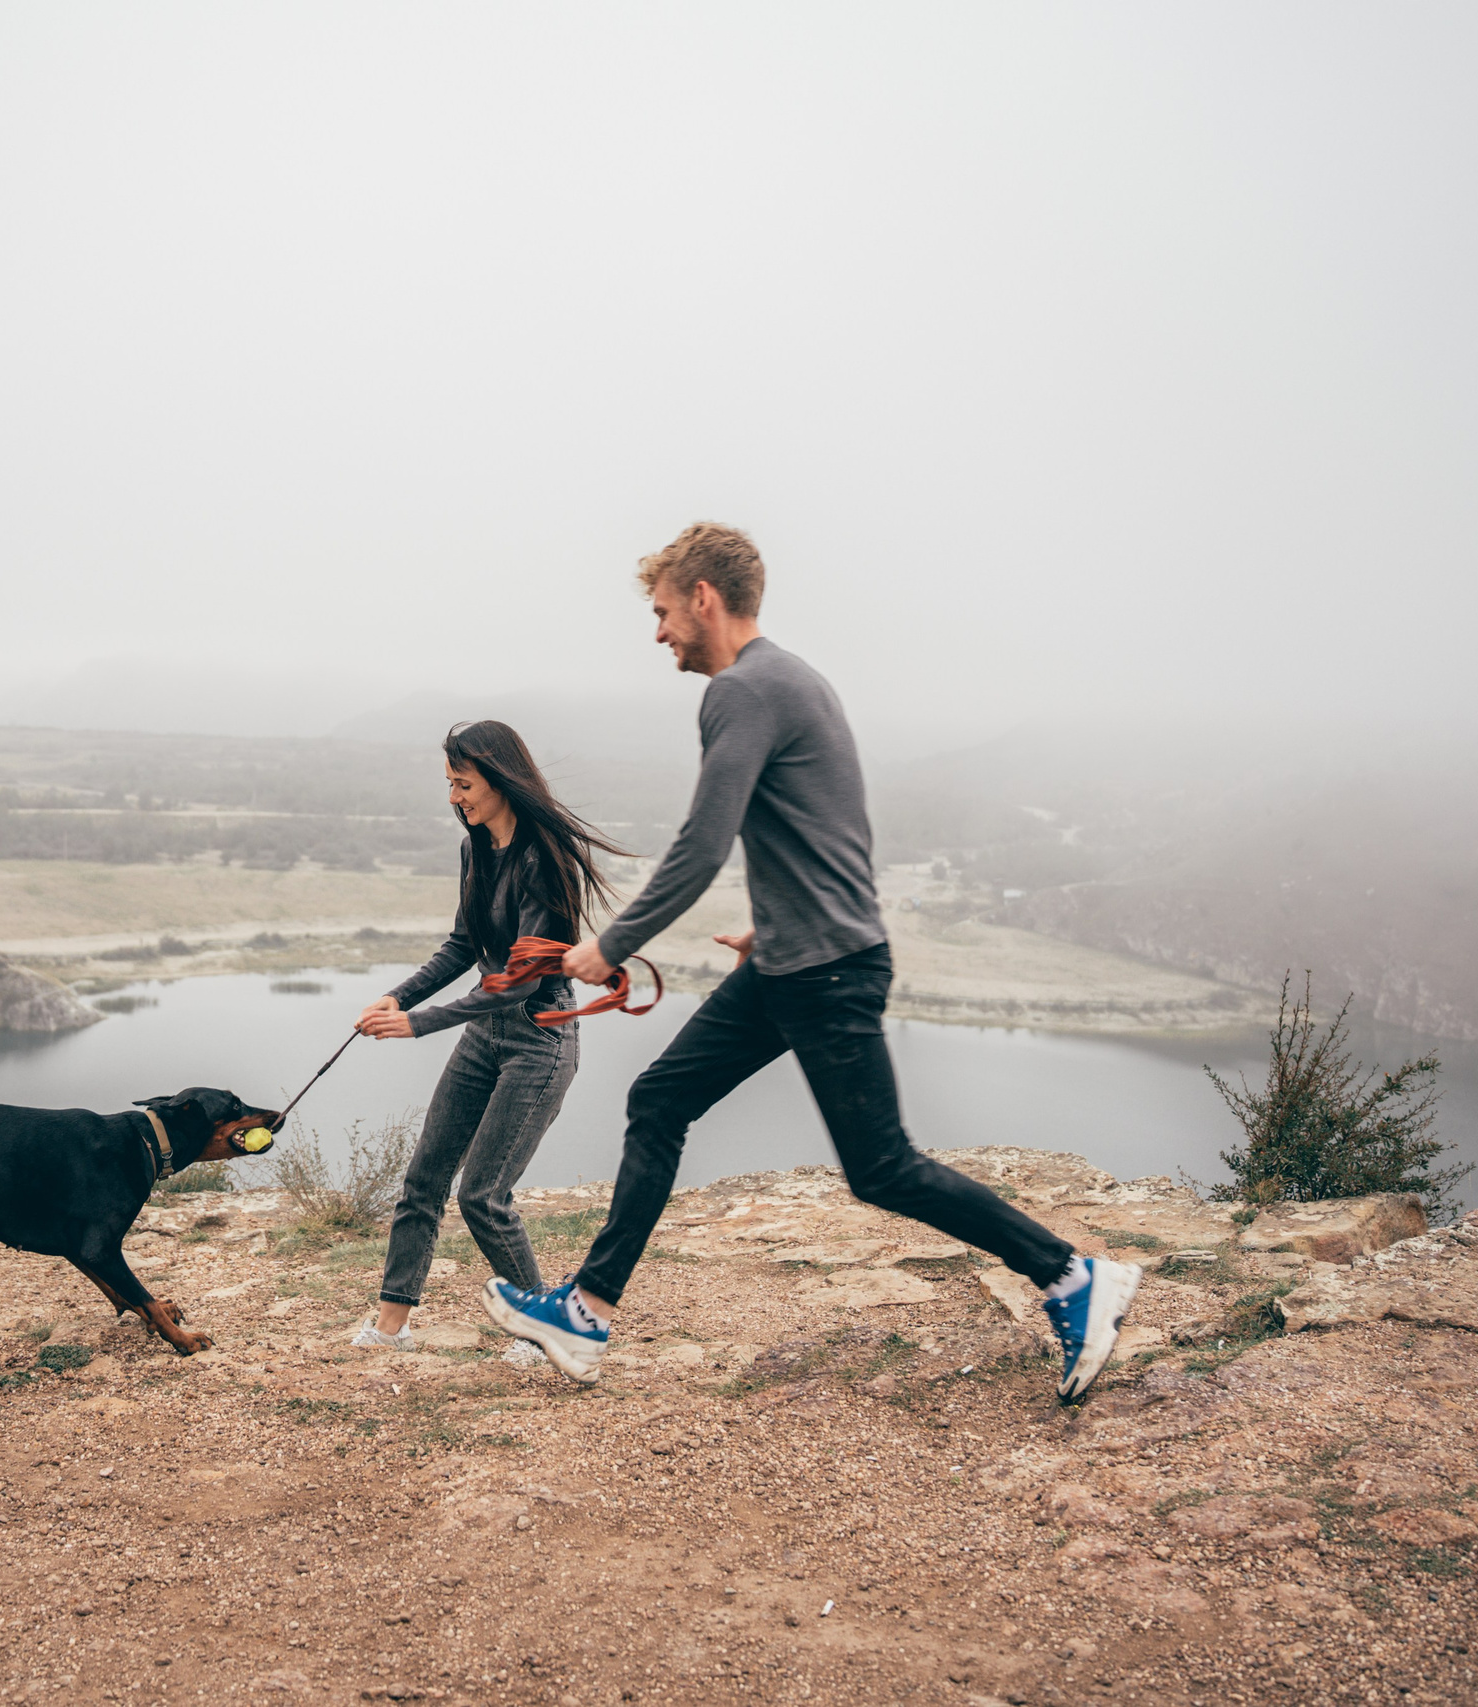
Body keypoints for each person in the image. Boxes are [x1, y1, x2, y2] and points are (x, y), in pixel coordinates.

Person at [484, 523, 1140, 1400]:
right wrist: (778, 919)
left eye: (663, 612)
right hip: (798, 958)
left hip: (826, 969)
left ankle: (1069, 1276)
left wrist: (610, 944)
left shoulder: (741, 692)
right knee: (661, 1097)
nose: (659, 633)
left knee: (882, 1167)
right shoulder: (794, 680)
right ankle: (588, 1314)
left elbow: (702, 843)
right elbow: (832, 822)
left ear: (703, 599)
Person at [347, 719, 632, 1366]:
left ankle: (545, 1324)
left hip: (539, 1039)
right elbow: (461, 947)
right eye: (449, 784)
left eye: (463, 783)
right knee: (423, 1178)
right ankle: (392, 1327)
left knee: (483, 1193)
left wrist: (417, 1024)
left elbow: (515, 984)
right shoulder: (476, 849)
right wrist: (400, 996)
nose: (455, 797)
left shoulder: (546, 861)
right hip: (485, 1034)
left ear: (501, 779)